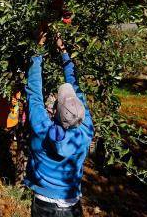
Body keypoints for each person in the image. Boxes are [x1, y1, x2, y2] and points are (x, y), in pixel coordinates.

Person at [24, 33, 94, 217]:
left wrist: (39, 48)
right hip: (72, 206)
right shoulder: (86, 131)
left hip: (43, 206)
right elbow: (76, 86)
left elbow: (34, 92)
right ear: (81, 110)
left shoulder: (42, 130)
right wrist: (64, 51)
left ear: (55, 112)